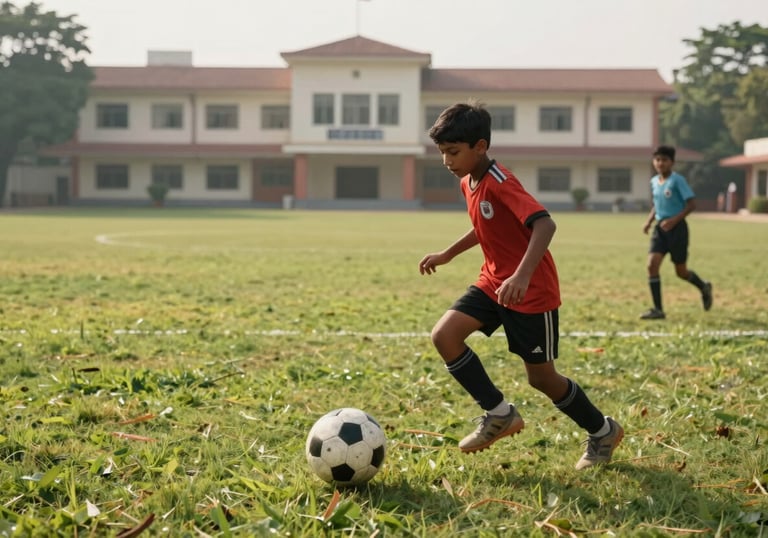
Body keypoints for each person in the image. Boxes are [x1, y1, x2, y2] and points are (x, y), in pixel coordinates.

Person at [419, 100, 623, 470]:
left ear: (480, 146)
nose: (447, 161)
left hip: (531, 292)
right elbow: (486, 225)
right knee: (444, 336)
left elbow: (544, 224)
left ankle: (602, 430)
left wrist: (522, 274)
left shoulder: (502, 182)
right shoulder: (469, 181)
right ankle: (499, 414)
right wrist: (448, 253)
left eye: (453, 152)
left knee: (542, 379)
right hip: (494, 282)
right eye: (442, 153)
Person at [640, 145, 713, 320]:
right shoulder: (654, 182)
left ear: (672, 162)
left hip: (677, 229)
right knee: (652, 265)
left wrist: (674, 220)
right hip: (660, 229)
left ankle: (703, 286)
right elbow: (657, 204)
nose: (660, 163)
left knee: (681, 272)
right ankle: (658, 309)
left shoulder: (677, 181)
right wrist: (649, 221)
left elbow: (692, 204)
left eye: (664, 160)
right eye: (657, 160)